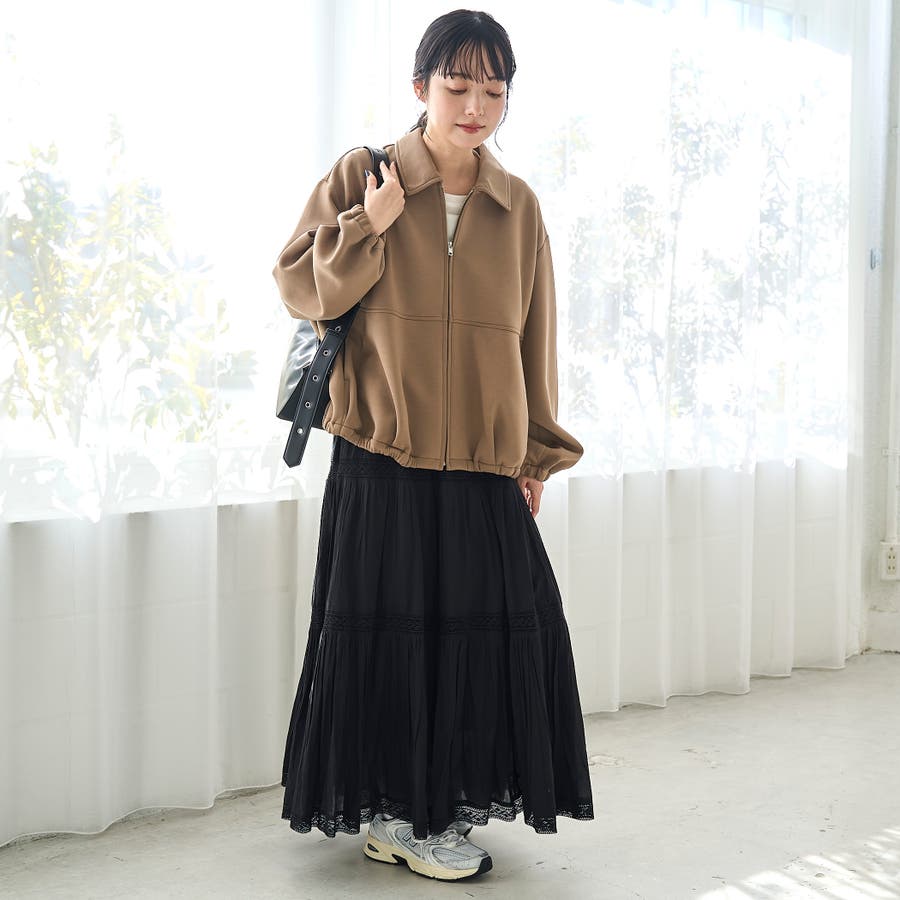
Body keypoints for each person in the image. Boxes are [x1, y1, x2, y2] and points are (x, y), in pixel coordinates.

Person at [272, 8, 594, 883]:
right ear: (421, 87)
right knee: (387, 641)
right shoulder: (364, 175)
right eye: (457, 86)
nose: (475, 107)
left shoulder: (517, 207)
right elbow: (301, 287)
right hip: (382, 453)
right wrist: (370, 222)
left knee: (483, 641)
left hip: (484, 460)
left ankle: (430, 806)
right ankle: (398, 815)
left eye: (494, 90)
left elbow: (534, 338)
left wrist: (534, 452)